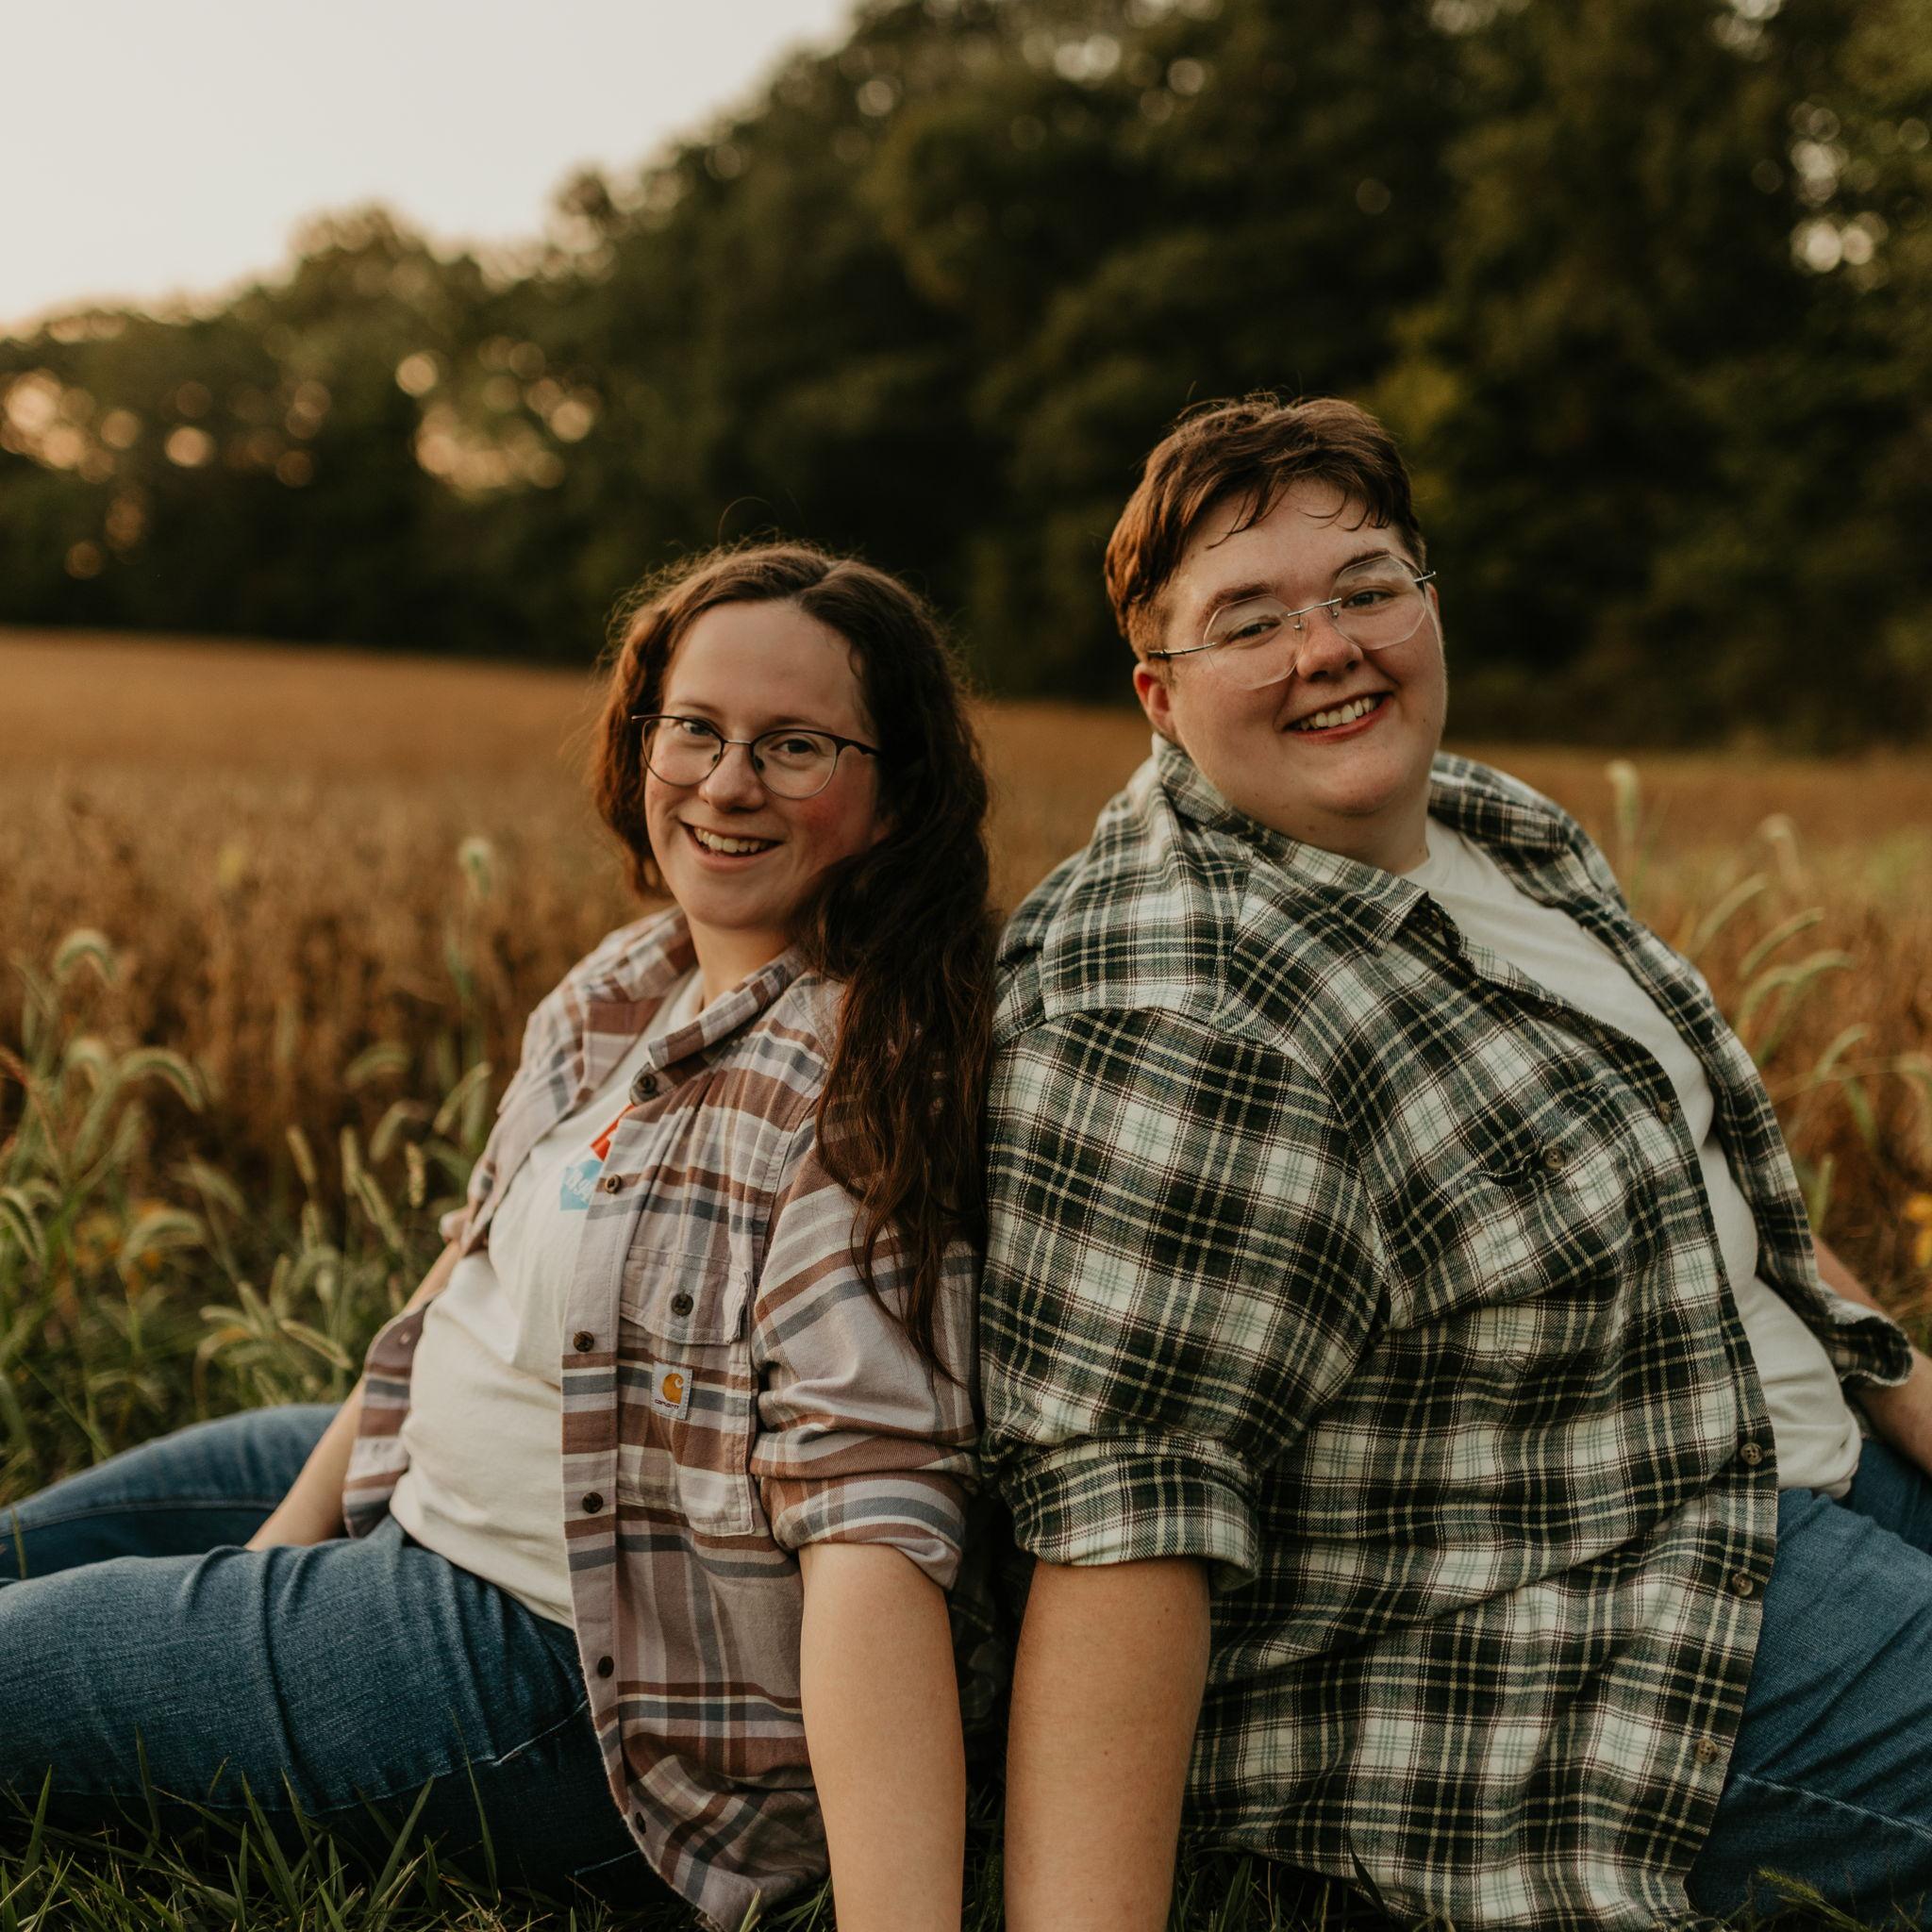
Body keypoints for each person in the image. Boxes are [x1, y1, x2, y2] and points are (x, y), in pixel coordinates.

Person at [982, 394, 1932, 1931]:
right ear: (1159, 693)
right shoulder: (1180, 1011)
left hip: (1769, 1452)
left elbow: (1701, 1187)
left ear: (1426, 602)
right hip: (1590, 1633)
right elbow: (1122, 1518)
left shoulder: (1489, 826)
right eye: (1251, 621)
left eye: (1366, 587)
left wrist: (1910, 1392)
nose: (1328, 648)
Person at [0, 541, 996, 1932]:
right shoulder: (627, 984)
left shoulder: (857, 1085)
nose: (725, 783)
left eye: (795, 747)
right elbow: (454, 1289)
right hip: (418, 1481)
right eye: (695, 730)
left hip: (563, 1671)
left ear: (897, 795)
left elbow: (872, 1520)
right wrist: (282, 1549)